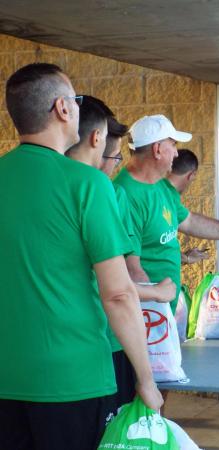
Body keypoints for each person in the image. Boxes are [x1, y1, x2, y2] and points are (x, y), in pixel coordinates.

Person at [0, 63, 161, 450]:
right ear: (62, 109)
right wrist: (146, 377)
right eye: (73, 98)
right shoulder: (87, 184)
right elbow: (119, 294)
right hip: (74, 380)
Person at [67, 95, 176, 409]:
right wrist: (146, 377)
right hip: (97, 349)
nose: (113, 167)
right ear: (95, 141)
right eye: (112, 157)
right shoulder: (100, 190)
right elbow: (116, 289)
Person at [113, 114, 219, 314]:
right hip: (148, 318)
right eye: (173, 145)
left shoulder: (160, 186)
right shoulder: (125, 194)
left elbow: (189, 221)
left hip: (161, 314)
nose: (176, 154)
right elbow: (131, 269)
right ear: (157, 150)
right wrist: (156, 317)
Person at [166, 149, 209, 266]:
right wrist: (187, 258)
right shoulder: (163, 197)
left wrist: (186, 257)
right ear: (191, 175)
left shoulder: (168, 196)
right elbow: (153, 251)